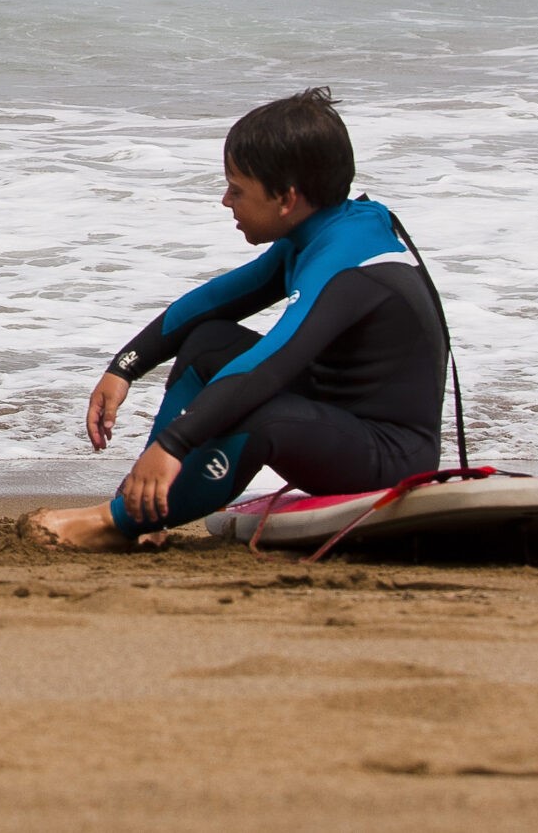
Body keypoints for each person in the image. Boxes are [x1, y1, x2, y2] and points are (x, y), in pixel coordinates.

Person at [23, 88, 444, 551]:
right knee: (210, 341)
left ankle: (115, 522)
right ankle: (145, 506)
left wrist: (175, 444)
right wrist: (124, 368)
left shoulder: (349, 261)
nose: (226, 201)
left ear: (285, 197)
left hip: (389, 457)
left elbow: (274, 362)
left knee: (260, 409)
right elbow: (212, 303)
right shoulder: (323, 233)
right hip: (337, 421)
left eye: (237, 189)